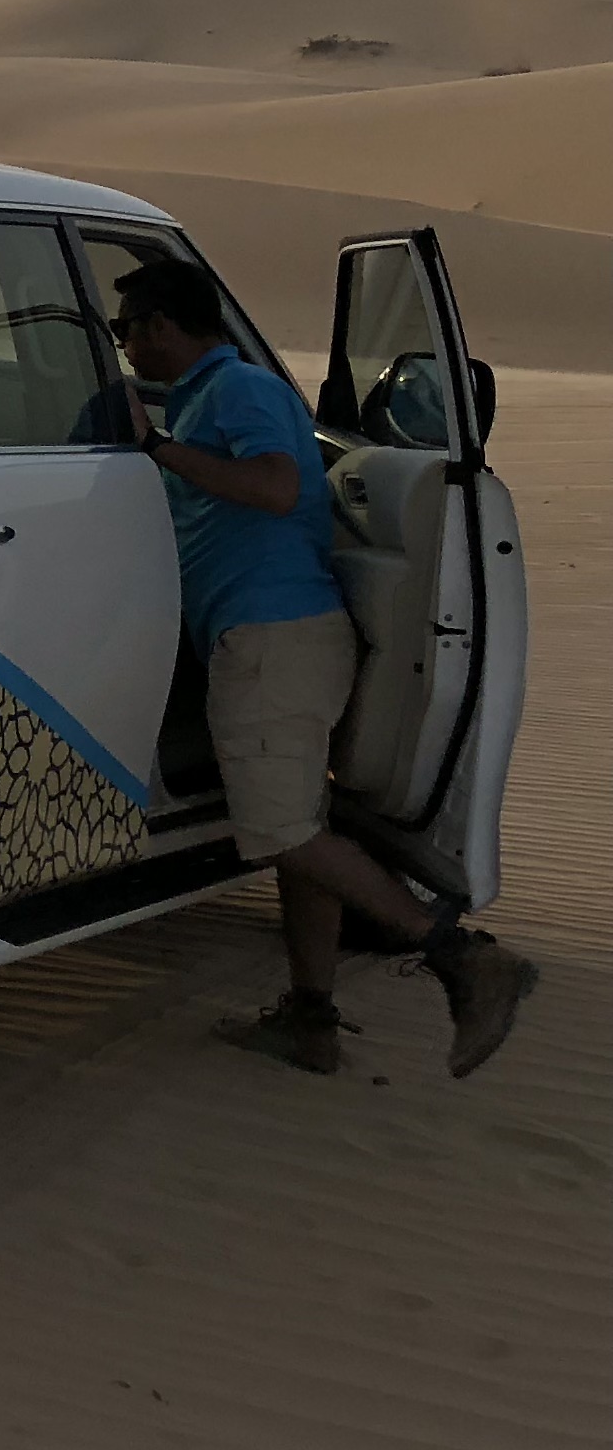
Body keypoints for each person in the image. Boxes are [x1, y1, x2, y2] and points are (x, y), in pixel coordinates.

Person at [109, 258, 534, 1078]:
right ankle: (311, 1021)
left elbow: (274, 487)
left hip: (273, 642)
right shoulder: (206, 396)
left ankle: (463, 958)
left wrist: (157, 448)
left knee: (282, 832)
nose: (125, 344)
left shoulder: (237, 391)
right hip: (278, 638)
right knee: (302, 830)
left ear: (161, 325)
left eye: (127, 329)